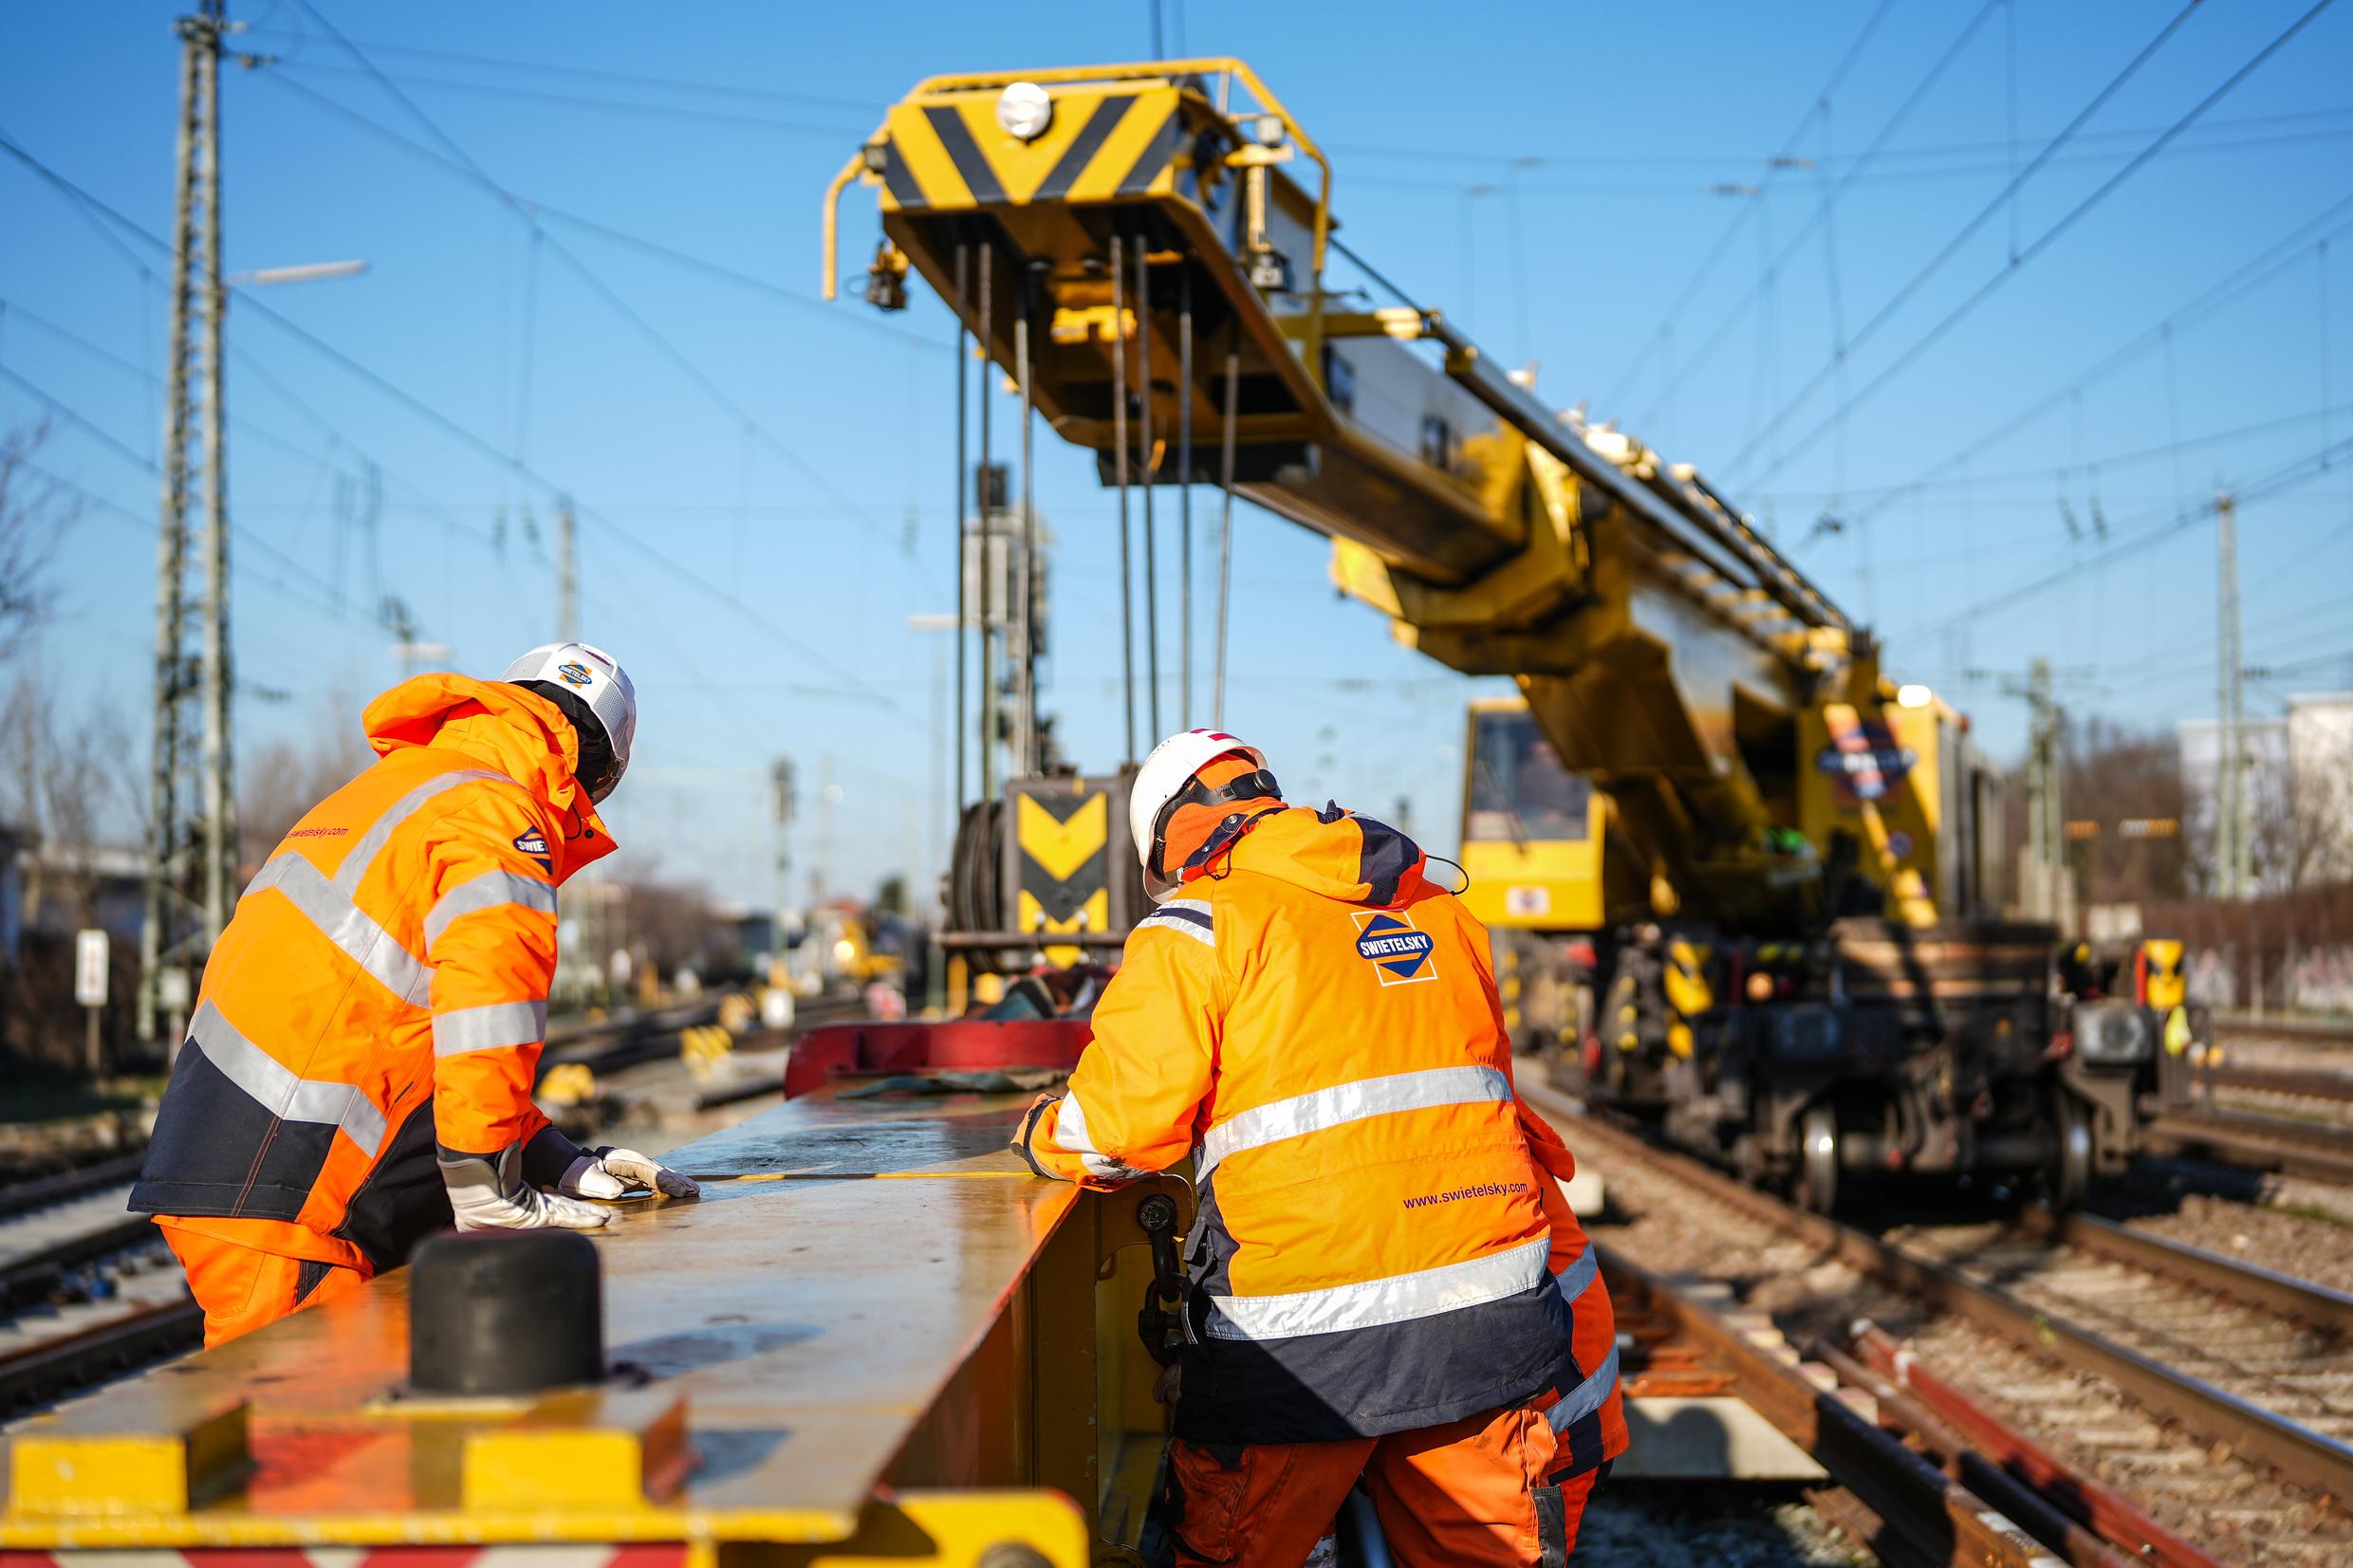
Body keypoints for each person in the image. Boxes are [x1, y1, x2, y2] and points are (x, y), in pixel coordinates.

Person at [1011, 729, 1627, 1566]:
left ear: (1169, 840)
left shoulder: (1195, 929)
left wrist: (1040, 1132)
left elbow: (1118, 1129)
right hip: (1484, 1335)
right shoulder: (1442, 914)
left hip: (1295, 1353)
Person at [129, 643, 699, 1347]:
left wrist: (555, 1158)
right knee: (315, 1445)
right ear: (602, 777)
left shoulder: (398, 788)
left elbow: (407, 1037)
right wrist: (486, 1182)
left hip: (250, 1168)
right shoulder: (497, 810)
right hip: (296, 1197)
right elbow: (489, 1000)